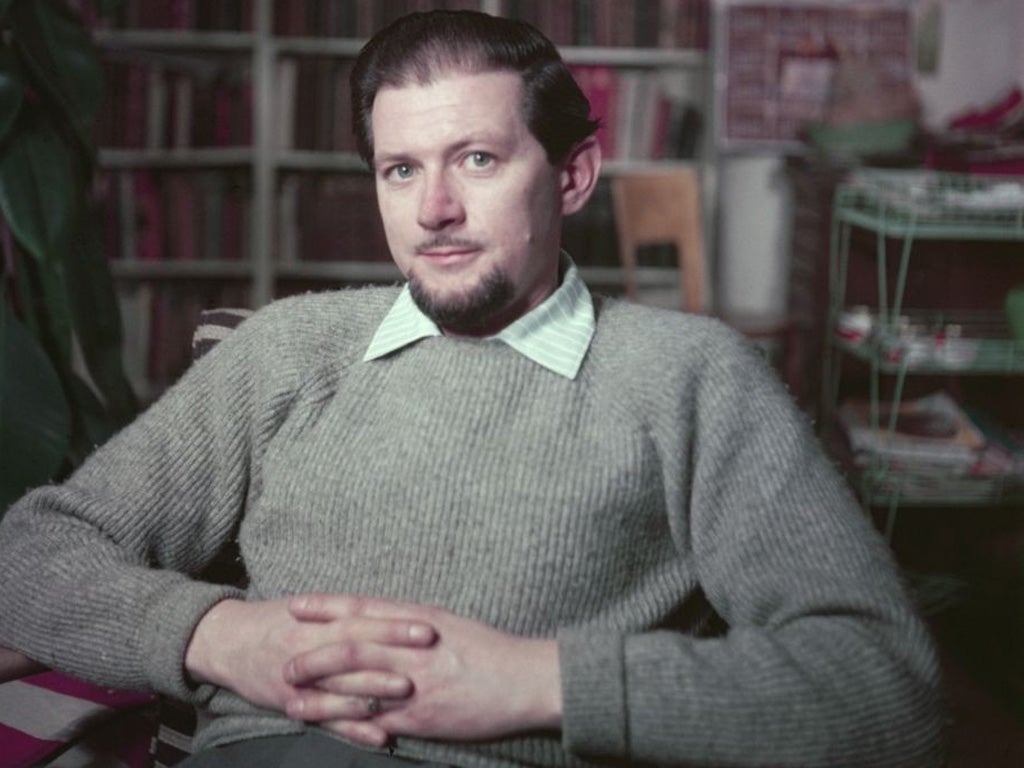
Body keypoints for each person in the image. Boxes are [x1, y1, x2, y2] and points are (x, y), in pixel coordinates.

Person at [0, 10, 943, 768]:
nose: (433, 210)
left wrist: (542, 684)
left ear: (572, 176)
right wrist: (216, 635)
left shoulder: (689, 377)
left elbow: (884, 686)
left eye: (477, 160)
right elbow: (29, 557)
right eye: (400, 169)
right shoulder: (290, 351)